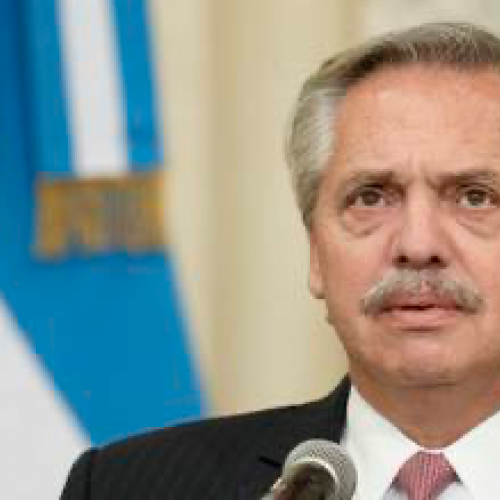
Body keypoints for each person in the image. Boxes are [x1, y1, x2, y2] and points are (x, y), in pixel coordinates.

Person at [61, 21, 500, 499]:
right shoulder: (124, 486)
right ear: (316, 253)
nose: (417, 245)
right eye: (371, 197)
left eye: (475, 197)